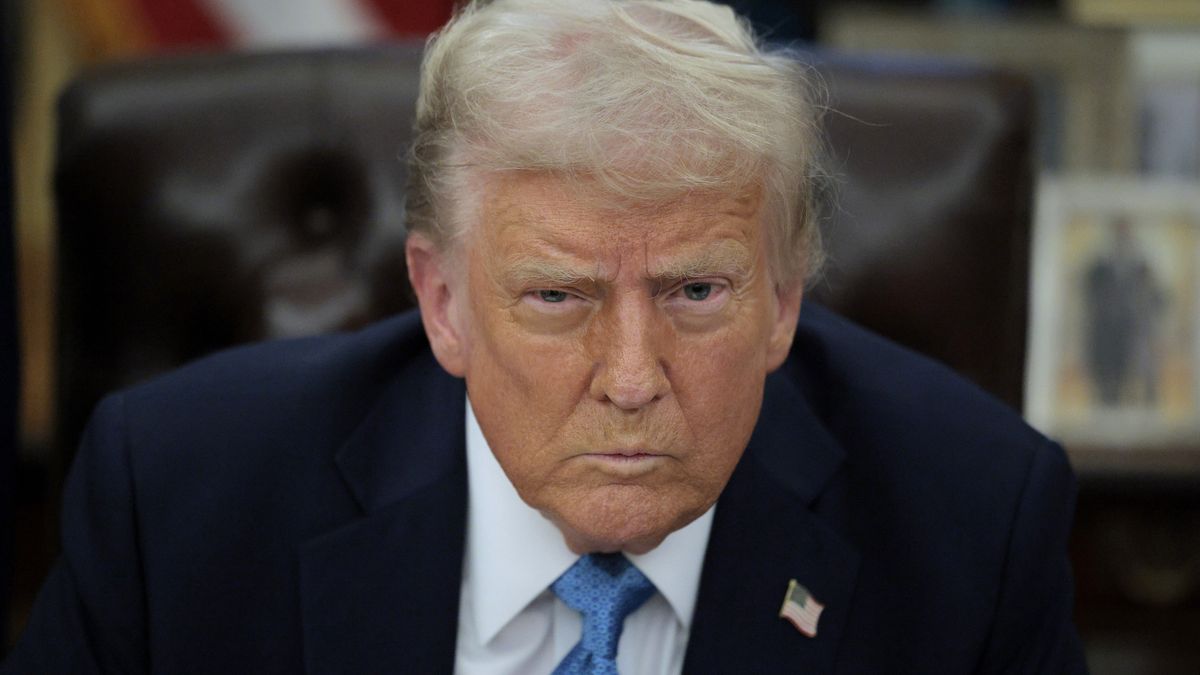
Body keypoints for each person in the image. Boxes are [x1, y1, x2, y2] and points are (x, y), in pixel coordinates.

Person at [5, 0, 1086, 672]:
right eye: (558, 298)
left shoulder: (973, 525)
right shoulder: (180, 500)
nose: (630, 379)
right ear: (443, 304)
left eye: (696, 292)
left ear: (785, 297)